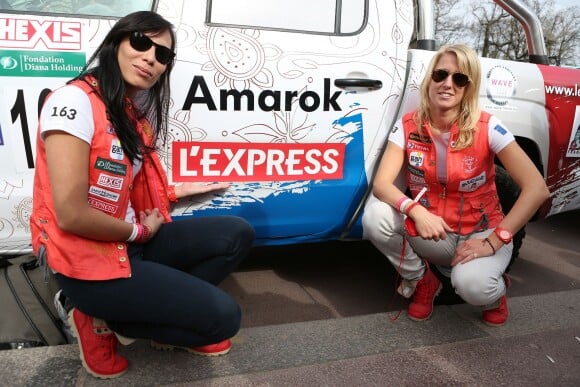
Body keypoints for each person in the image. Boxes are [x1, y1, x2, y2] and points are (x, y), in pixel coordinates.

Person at [30, 11, 255, 379]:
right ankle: (100, 317)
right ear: (116, 43)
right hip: (87, 257)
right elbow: (71, 213)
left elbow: (123, 186)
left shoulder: (130, 112)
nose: (151, 57)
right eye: (140, 42)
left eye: (163, 55)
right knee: (224, 320)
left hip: (128, 244)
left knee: (236, 233)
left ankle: (153, 311)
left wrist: (174, 193)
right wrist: (140, 232)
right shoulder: (72, 102)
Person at [363, 44, 549, 326]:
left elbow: (537, 188)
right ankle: (422, 281)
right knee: (376, 216)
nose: (447, 84)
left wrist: (494, 241)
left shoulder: (488, 126)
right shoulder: (409, 124)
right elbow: (382, 185)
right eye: (441, 75)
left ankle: (493, 292)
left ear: (468, 87)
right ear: (430, 80)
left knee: (472, 286)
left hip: (481, 231)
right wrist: (416, 210)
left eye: (459, 79)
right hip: (437, 231)